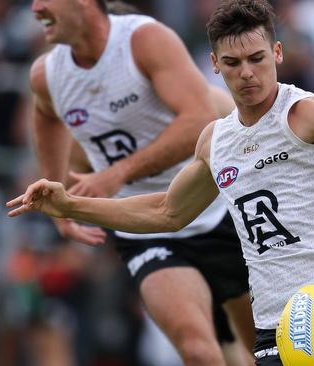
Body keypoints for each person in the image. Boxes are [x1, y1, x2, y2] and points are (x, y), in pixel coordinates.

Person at [9, 0, 314, 364]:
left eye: (256, 58)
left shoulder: (308, 113)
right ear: (214, 64)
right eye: (232, 63)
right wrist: (70, 206)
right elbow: (165, 212)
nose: (246, 73)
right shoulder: (215, 141)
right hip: (278, 322)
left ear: (278, 53)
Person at [26, 0, 255, 364]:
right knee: (196, 349)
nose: (35, 7)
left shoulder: (144, 41)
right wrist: (58, 203)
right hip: (146, 228)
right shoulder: (46, 76)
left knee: (266, 346)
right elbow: (45, 115)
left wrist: (116, 173)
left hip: (217, 209)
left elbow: (200, 118)